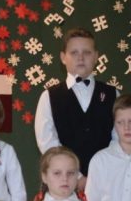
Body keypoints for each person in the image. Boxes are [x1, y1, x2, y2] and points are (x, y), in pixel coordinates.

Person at [34, 28, 116, 184]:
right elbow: (47, 143)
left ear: (96, 56)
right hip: (63, 184)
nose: (81, 58)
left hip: (106, 181)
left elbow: (118, 139)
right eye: (74, 53)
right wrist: (75, 176)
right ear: (63, 57)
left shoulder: (113, 94)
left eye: (87, 52)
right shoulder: (48, 97)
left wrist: (99, 175)